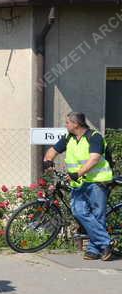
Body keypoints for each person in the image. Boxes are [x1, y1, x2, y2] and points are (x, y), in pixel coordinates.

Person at [43, 112, 114, 261]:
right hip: (80, 183)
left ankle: (94, 250)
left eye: (67, 122)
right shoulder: (69, 138)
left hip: (98, 181)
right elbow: (53, 150)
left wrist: (78, 173)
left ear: (76, 124)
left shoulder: (94, 137)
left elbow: (94, 159)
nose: (66, 125)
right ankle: (106, 242)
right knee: (78, 211)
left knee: (97, 215)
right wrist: (48, 160)